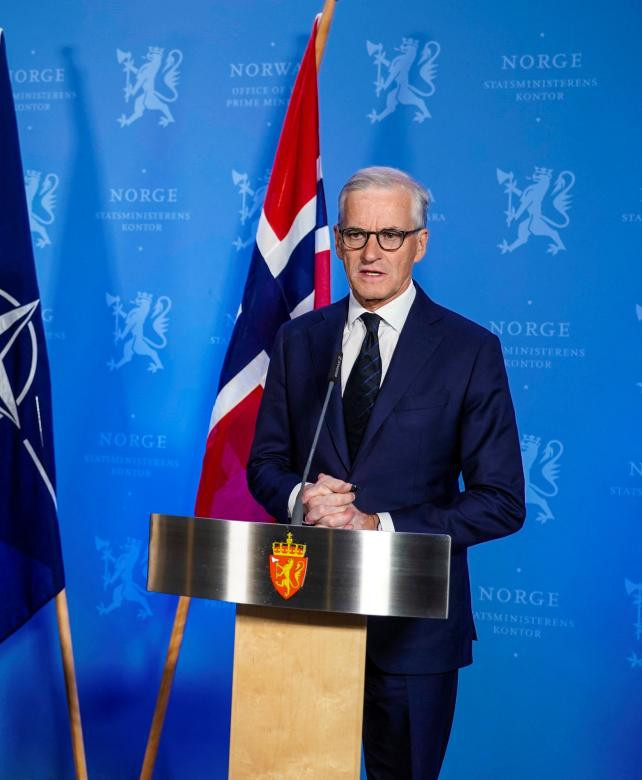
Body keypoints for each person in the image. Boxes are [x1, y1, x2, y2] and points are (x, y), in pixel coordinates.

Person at [247, 166, 525, 779]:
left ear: (419, 244)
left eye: (390, 236)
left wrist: (380, 526)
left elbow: (501, 500)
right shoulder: (299, 340)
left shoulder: (468, 349)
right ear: (338, 239)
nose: (371, 253)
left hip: (415, 635)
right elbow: (264, 464)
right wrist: (302, 496)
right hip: (304, 613)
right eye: (355, 235)